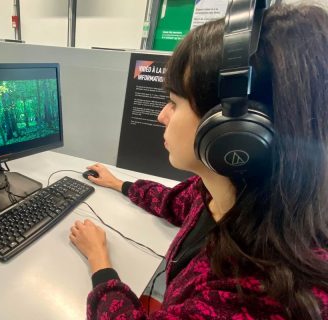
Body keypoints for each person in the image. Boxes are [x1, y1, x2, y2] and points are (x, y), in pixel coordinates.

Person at [69, 3, 328, 319]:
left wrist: (100, 262)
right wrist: (118, 183)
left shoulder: (252, 297)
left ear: (232, 132)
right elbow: (176, 202)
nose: (161, 115)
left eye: (175, 104)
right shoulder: (230, 196)